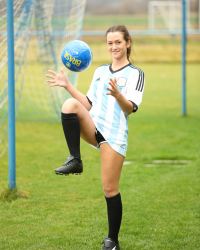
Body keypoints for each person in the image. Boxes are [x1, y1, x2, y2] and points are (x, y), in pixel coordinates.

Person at [46, 24, 145, 250]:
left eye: (118, 42)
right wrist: (68, 85)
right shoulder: (100, 71)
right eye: (110, 43)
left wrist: (119, 95)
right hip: (94, 126)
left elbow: (130, 108)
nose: (114, 47)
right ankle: (75, 159)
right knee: (69, 105)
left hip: (113, 134)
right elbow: (88, 104)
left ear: (128, 43)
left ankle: (112, 242)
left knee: (109, 189)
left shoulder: (136, 74)